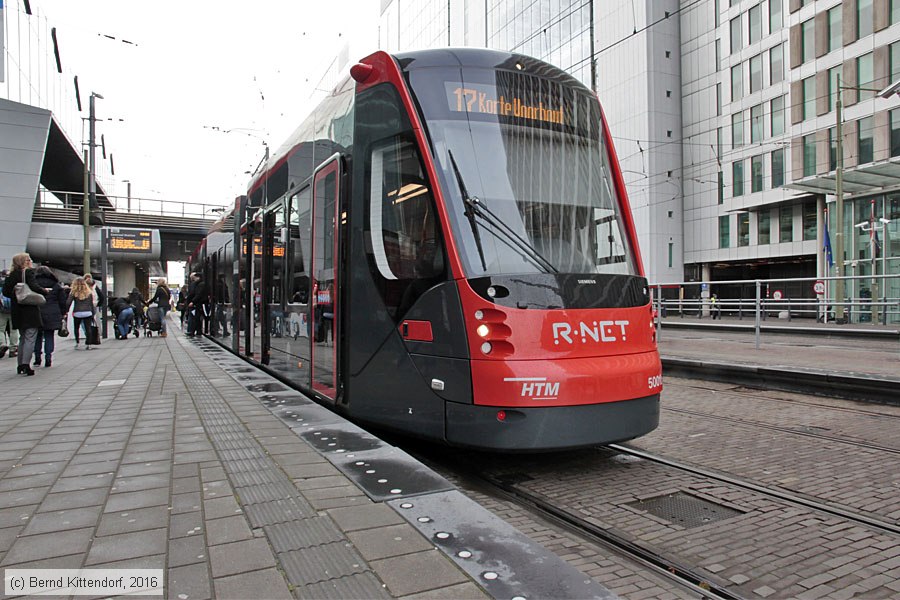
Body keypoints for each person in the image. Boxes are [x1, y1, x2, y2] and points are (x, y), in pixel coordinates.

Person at [1, 253, 49, 375]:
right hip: (29, 309)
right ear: (24, 262)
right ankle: (26, 364)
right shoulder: (27, 273)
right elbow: (34, 286)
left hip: (17, 310)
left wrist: (16, 294)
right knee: (30, 337)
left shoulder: (11, 275)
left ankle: (20, 365)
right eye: (29, 259)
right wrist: (45, 291)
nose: (31, 261)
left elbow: (6, 292)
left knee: (23, 337)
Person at [33, 266, 67, 368]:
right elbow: (62, 301)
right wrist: (63, 313)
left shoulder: (34, 284)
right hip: (52, 313)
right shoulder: (56, 285)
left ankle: (37, 358)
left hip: (37, 311)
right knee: (49, 335)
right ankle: (48, 358)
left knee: (37, 336)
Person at [66, 277, 97, 350]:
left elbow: (68, 303)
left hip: (77, 312)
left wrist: (66, 311)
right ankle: (88, 344)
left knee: (76, 328)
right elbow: (91, 304)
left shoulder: (73, 292)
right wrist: (92, 313)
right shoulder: (89, 292)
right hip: (88, 312)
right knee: (88, 328)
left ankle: (77, 342)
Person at [0, 269, 17, 360]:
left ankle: (2, 344)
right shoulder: (13, 282)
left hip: (1, 309)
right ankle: (13, 349)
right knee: (13, 329)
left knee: (0, 329)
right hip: (13, 308)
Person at [185, 272, 209, 337]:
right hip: (199, 303)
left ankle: (195, 331)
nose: (194, 279)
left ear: (198, 277)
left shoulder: (200, 285)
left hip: (200, 303)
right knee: (197, 317)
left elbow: (198, 294)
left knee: (198, 317)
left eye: (195, 278)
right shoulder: (199, 284)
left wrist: (193, 301)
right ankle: (198, 331)